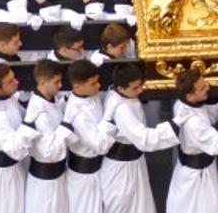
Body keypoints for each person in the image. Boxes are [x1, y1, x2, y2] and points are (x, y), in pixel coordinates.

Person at [101, 63, 185, 213]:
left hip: (135, 164)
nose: (140, 90)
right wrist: (174, 124)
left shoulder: (122, 95)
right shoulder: (121, 109)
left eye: (141, 85)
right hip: (122, 171)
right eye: (135, 88)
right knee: (123, 207)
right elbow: (145, 139)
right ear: (121, 88)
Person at [167, 69, 218, 213]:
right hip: (197, 178)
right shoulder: (194, 124)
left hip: (198, 169)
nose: (208, 88)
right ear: (190, 96)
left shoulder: (182, 104)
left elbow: (207, 119)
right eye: (203, 88)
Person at [0, 64, 38, 213]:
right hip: (1, 177)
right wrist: (30, 123)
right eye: (10, 81)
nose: (16, 82)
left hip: (15, 170)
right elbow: (13, 150)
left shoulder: (9, 98)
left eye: (14, 78)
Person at [64, 60, 116, 213]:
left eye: (98, 81)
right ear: (77, 86)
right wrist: (109, 122)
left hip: (100, 170)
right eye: (93, 83)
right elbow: (100, 146)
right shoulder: (78, 114)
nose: (99, 86)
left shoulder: (91, 96)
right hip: (85, 176)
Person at [24, 60, 74, 213]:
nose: (60, 85)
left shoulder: (50, 101)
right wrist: (65, 127)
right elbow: (50, 151)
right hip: (45, 184)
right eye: (56, 82)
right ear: (42, 82)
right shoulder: (39, 112)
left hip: (58, 178)